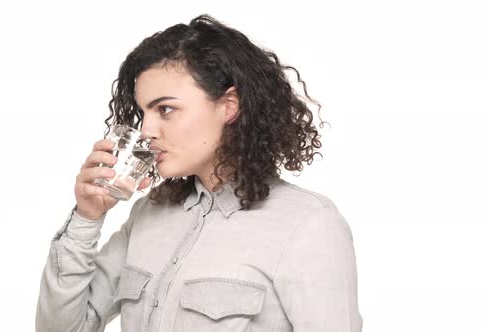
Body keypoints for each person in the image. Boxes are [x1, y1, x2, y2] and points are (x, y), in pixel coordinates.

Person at [35, 14, 363, 332]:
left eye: (165, 109)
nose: (146, 129)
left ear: (229, 106)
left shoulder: (308, 224)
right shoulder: (148, 213)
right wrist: (86, 218)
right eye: (143, 112)